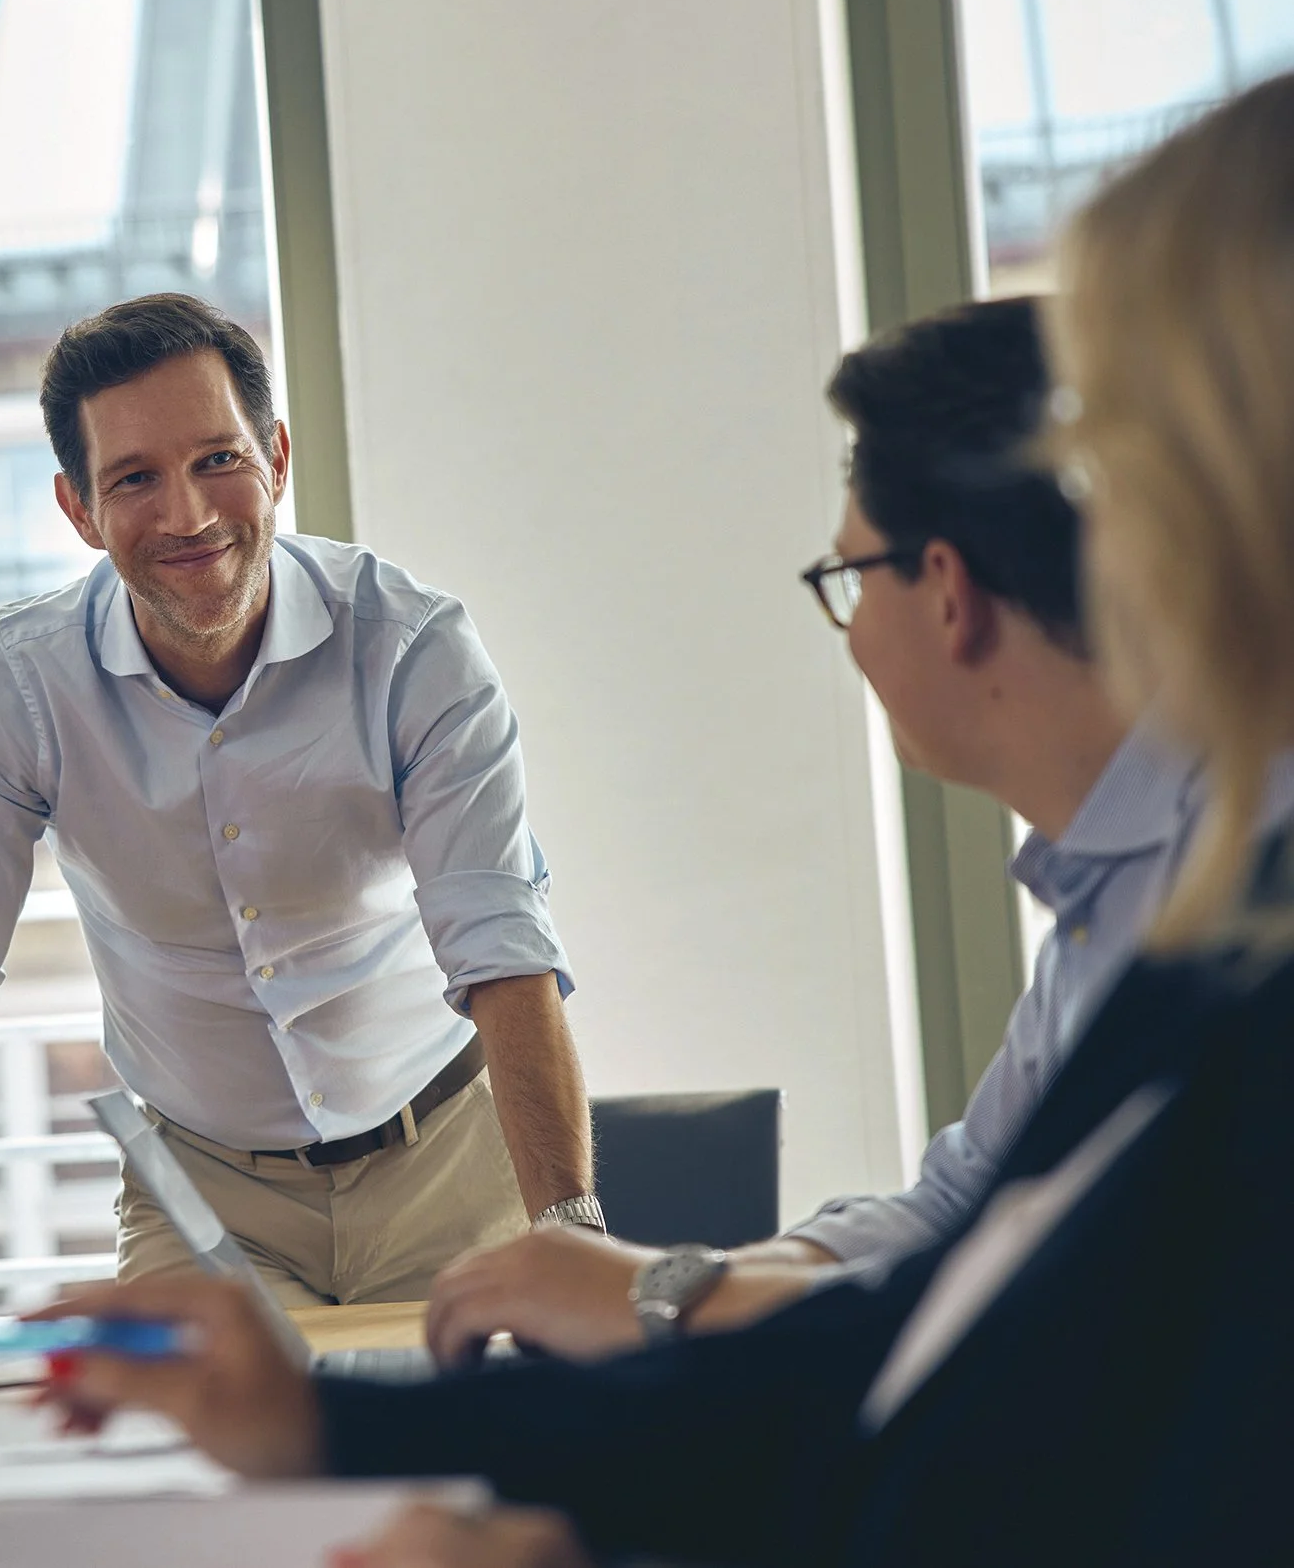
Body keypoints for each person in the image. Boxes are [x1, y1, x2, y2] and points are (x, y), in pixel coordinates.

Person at [37, 71, 1294, 1568]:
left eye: (1128, 455)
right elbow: (944, 1314)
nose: (1091, 517)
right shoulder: (1191, 898)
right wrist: (353, 1429)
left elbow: (1023, 1428)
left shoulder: (1238, 952)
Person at [0, 292, 594, 1341]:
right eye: (134, 478)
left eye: (217, 460)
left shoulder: (413, 652)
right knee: (187, 1479)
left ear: (276, 457)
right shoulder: (20, 691)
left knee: (499, 1469)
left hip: (451, 1160)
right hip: (207, 1200)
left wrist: (574, 1232)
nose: (187, 515)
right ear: (79, 509)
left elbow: (501, 948)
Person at [423, 296, 1292, 1370]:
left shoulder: (1236, 889)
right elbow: (961, 1195)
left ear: (944, 590)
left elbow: (1035, 1302)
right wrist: (698, 1287)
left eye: (847, 577)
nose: (850, 637)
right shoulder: (1109, 872)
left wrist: (663, 1297)